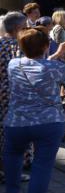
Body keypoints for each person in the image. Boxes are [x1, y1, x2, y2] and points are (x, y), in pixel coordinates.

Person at [2, 28, 65, 193]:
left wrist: (52, 54)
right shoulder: (53, 67)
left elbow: (36, 64)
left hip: (16, 121)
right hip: (48, 123)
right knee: (41, 169)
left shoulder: (13, 65)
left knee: (12, 155)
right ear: (46, 46)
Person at [0, 12, 26, 183]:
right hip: (13, 95)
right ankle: (11, 173)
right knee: (13, 136)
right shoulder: (18, 47)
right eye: (25, 27)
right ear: (17, 28)